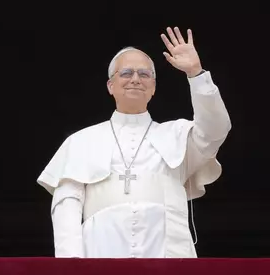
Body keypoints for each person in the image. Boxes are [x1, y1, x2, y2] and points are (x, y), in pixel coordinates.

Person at [37, 27, 232, 258]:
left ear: (154, 88)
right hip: (100, 251)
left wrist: (196, 74)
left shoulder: (178, 135)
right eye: (126, 73)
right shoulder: (81, 141)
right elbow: (66, 205)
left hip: (166, 253)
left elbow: (216, 130)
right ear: (111, 86)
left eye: (145, 74)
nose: (136, 79)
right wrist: (70, 264)